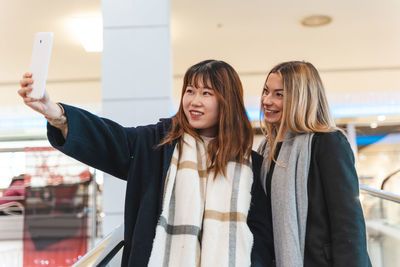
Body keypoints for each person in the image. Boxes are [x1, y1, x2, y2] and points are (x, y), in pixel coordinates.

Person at [19, 59, 274, 267]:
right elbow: (111, 138)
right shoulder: (158, 145)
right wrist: (56, 113)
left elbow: (261, 236)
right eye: (190, 90)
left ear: (226, 102)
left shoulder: (251, 165)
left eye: (206, 93)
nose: (194, 101)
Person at [257, 61, 371, 267]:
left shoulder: (328, 142)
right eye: (266, 91)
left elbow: (348, 223)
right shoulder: (266, 148)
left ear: (300, 99)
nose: (266, 100)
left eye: (279, 94)